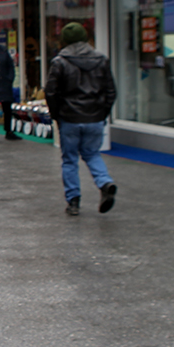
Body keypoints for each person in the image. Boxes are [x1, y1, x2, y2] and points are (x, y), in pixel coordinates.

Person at [44, 21, 118, 216]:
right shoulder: (101, 60)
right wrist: (102, 113)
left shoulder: (60, 62)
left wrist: (56, 115)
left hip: (69, 118)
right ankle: (104, 182)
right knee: (92, 154)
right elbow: (111, 91)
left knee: (69, 159)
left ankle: (73, 201)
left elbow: (51, 92)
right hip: (94, 117)